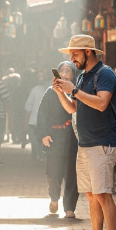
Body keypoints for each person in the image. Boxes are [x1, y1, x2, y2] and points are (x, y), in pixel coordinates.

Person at [53, 35, 116, 230]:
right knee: (92, 195)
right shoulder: (83, 76)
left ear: (88, 51)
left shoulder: (105, 73)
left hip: (102, 143)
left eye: (75, 53)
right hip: (85, 143)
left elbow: (102, 103)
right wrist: (61, 92)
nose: (71, 58)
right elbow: (74, 108)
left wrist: (73, 90)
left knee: (103, 194)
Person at [38, 61, 80, 217]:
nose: (63, 74)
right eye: (61, 70)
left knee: (71, 174)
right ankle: (54, 197)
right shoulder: (50, 92)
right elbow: (42, 114)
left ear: (73, 74)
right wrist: (43, 134)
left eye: (67, 71)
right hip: (54, 138)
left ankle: (70, 208)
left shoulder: (77, 92)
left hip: (72, 138)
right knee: (53, 173)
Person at [25, 71, 49, 161]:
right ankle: (40, 155)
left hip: (34, 120)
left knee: (34, 139)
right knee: (41, 138)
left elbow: (28, 107)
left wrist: (26, 122)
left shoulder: (34, 90)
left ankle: (36, 154)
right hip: (43, 120)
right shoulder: (51, 89)